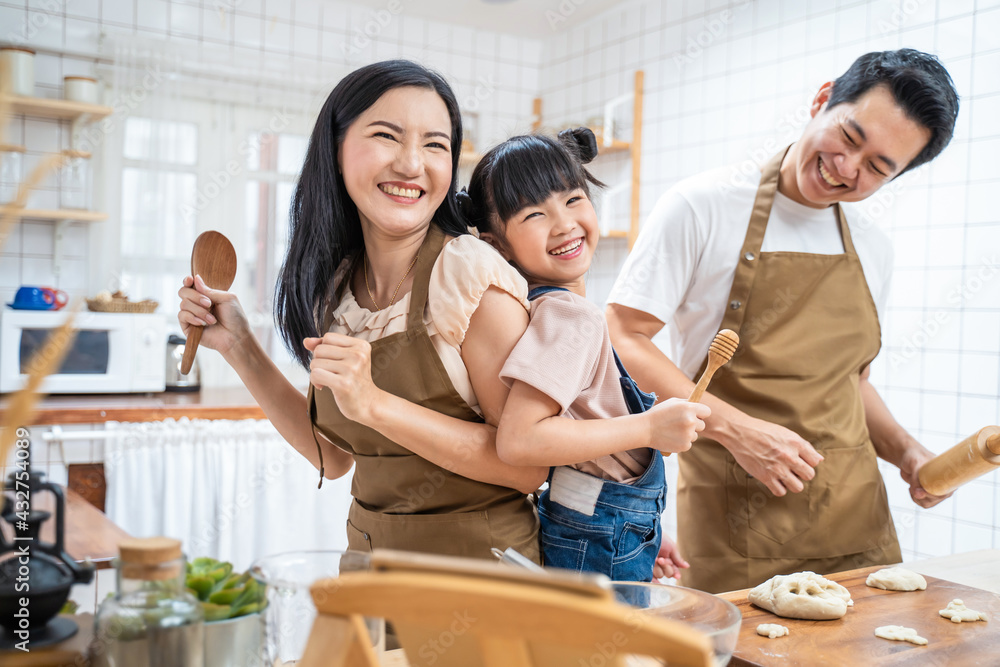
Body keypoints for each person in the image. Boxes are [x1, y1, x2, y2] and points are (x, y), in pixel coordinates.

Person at [605, 49, 961, 593]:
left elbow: (853, 383)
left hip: (855, 519)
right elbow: (623, 337)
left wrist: (908, 452)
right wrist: (739, 431)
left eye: (876, 168)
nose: (846, 167)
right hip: (735, 522)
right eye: (848, 136)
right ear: (823, 100)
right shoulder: (703, 206)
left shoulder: (873, 248)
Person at [178, 60, 546, 562]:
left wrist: (375, 404)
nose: (412, 164)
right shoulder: (335, 287)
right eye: (387, 136)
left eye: (435, 144)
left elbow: (527, 466)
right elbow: (331, 457)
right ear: (336, 148)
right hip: (368, 570)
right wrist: (240, 346)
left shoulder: (469, 272)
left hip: (482, 580)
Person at [461, 127, 710, 581]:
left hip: (595, 516)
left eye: (573, 199)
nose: (564, 223)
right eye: (535, 213)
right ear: (497, 244)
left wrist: (639, 530)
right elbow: (520, 441)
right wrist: (651, 426)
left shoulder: (541, 307)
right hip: (598, 528)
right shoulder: (573, 316)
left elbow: (577, 438)